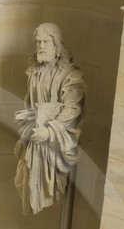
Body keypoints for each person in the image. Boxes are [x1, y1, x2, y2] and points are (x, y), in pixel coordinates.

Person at [14, 22, 85, 217]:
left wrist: (50, 131)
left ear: (57, 45)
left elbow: (72, 108)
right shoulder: (34, 72)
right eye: (38, 42)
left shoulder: (71, 75)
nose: (41, 46)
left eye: (46, 42)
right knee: (25, 181)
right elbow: (29, 103)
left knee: (50, 188)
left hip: (54, 141)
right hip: (33, 137)